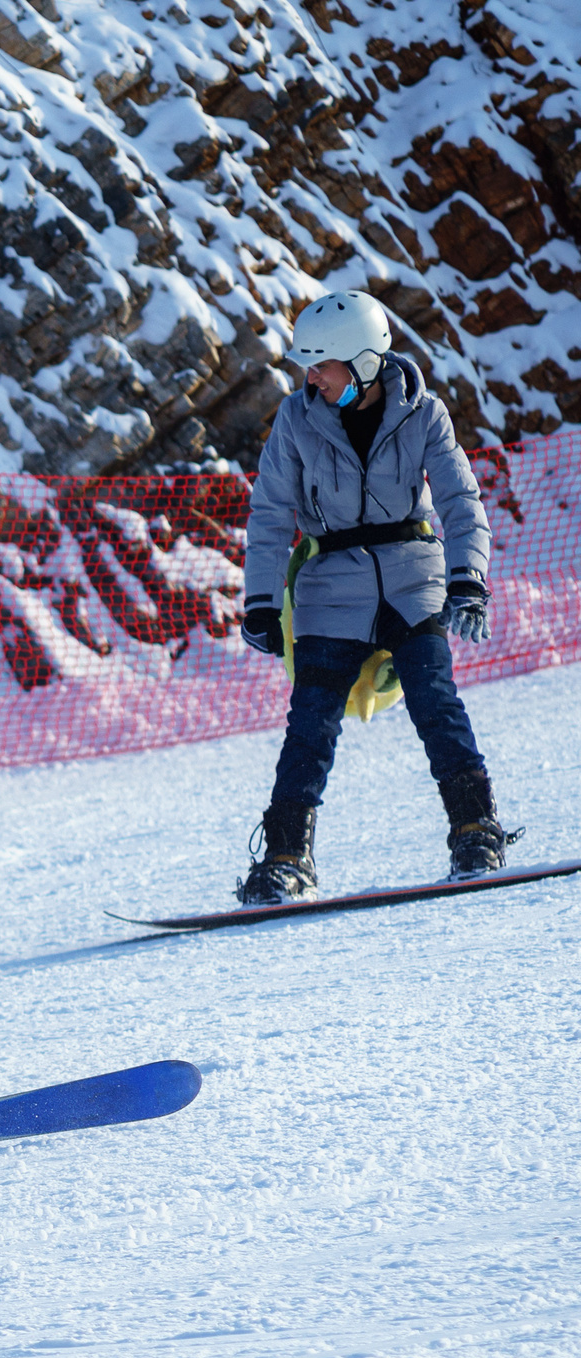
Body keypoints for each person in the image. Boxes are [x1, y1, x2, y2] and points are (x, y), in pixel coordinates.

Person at [236, 290, 510, 905]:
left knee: (435, 702)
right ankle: (285, 857)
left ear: (363, 363)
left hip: (413, 579)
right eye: (307, 365)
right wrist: (259, 601)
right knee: (310, 724)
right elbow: (271, 513)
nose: (311, 377)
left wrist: (468, 578)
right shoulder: (296, 418)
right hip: (330, 586)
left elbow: (462, 502)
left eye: (322, 366)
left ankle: (475, 829)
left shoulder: (424, 413)